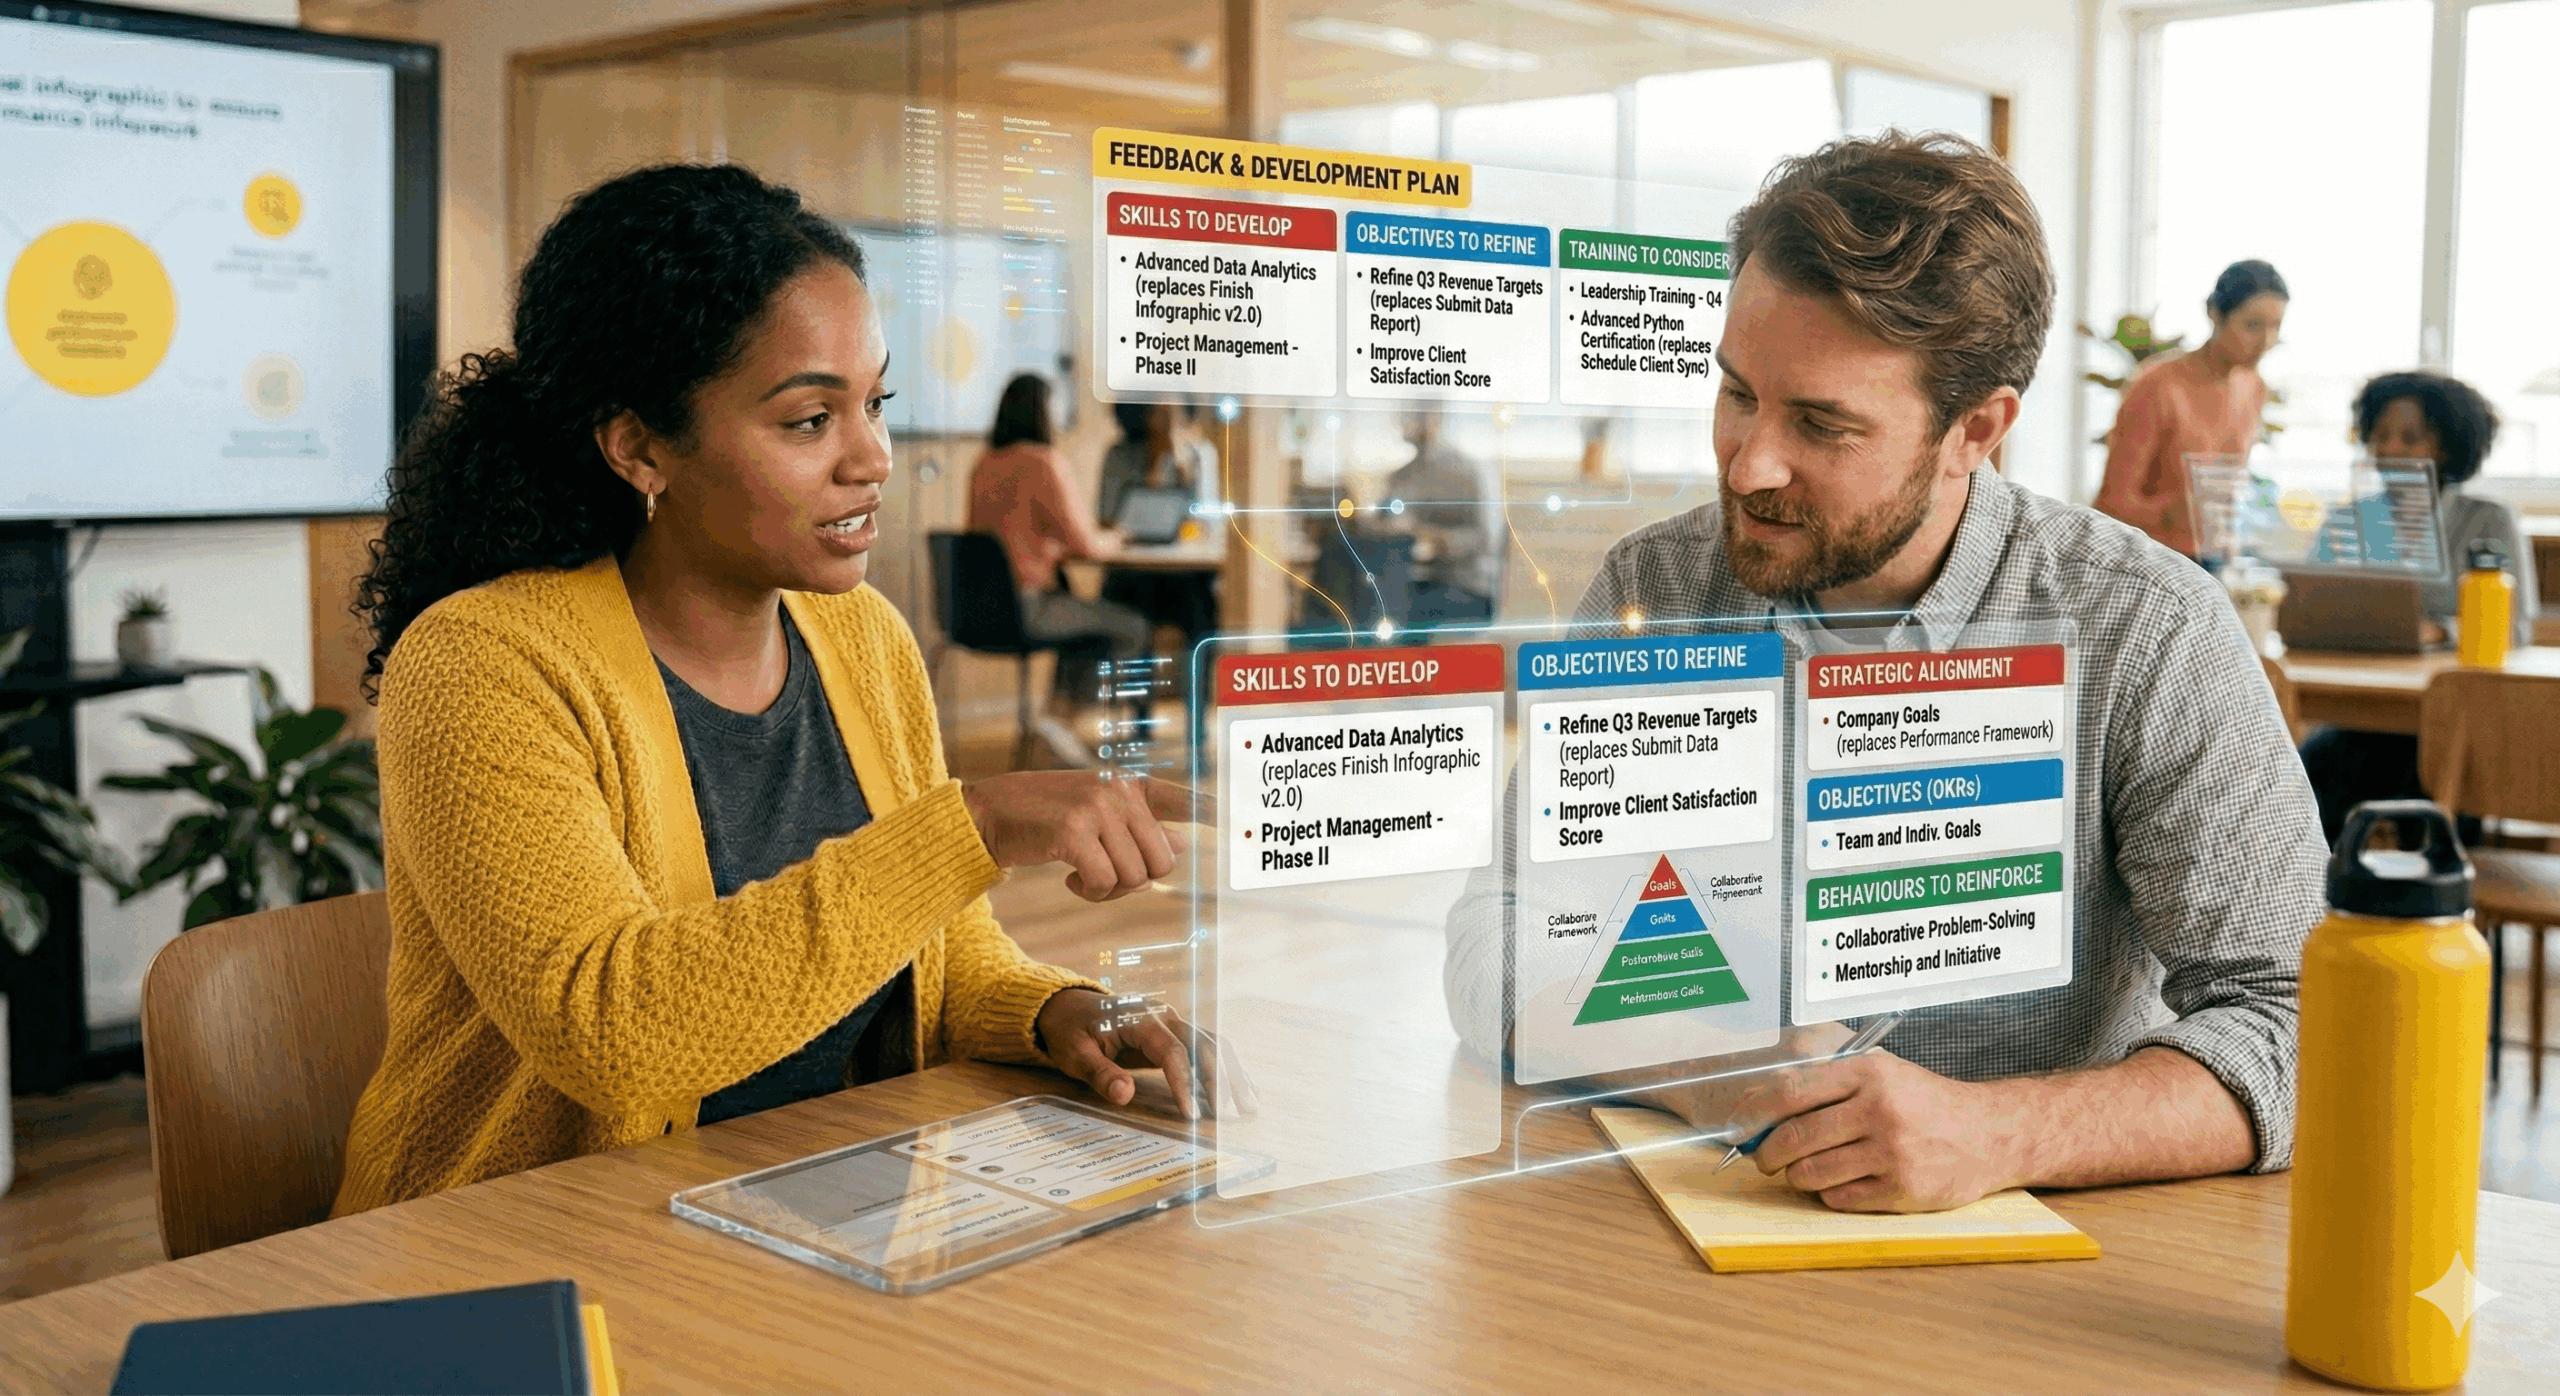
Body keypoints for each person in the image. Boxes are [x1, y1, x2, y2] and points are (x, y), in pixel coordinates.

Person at [1445, 133, 2325, 1213]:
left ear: (1976, 430)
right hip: (1680, 1232)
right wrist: (1705, 1070)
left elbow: (2299, 1024)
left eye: (1822, 423)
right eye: (1736, 393)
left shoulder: (2146, 629)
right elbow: (1504, 930)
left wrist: (1998, 1131)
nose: (1748, 463)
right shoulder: (1659, 594)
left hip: (2043, 1271)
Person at [334, 166, 1213, 1214]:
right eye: (809, 421)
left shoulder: (865, 638)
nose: (874, 457)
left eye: (877, 404)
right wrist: (966, 822)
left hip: (803, 1210)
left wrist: (1053, 1007)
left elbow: (937, 955)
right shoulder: (484, 664)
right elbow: (617, 1032)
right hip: (525, 1259)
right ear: (640, 447)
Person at [2298, 370, 2531, 842]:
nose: (2389, 449)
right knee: (2300, 774)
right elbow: (2310, 606)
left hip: (2452, 723)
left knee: (2428, 780)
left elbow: (2516, 627)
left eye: (2410, 437)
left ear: (2446, 447)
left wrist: (2441, 631)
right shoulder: (2350, 518)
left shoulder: (2487, 519)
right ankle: (2315, 900)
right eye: (2379, 436)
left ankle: (2422, 904)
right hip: (2362, 715)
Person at [965, 373, 1152, 710]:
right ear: (1042, 412)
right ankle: (1079, 724)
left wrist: (1050, 548)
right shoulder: (1042, 462)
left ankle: (1060, 717)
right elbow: (1087, 545)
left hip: (981, 609)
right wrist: (1121, 537)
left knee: (1081, 616)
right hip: (1030, 608)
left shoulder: (984, 464)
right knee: (1133, 626)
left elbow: (1001, 540)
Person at [2094, 260, 2289, 556]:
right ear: (2214, 314)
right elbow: (2110, 505)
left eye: (2276, 327)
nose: (2266, 342)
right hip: (2154, 561)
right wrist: (2171, 512)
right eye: (2252, 325)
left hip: (2217, 558)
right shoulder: (2157, 386)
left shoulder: (2254, 387)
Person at [1097, 400, 1220, 668]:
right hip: (1133, 574)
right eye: (1159, 410)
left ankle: (1196, 706)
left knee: (1205, 611)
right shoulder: (1119, 455)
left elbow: (1208, 525)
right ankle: (1139, 708)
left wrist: (1182, 471)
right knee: (1126, 608)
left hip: (1185, 577)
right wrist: (1153, 470)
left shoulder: (1200, 454)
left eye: (1174, 411)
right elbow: (1106, 520)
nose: (1167, 419)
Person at [1385, 412, 1503, 628]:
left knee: (1397, 608)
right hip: (1419, 580)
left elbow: (1486, 539)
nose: (1405, 422)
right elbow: (1386, 520)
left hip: (1467, 586)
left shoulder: (1467, 471)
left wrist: (1437, 539)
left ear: (1434, 418)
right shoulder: (1401, 476)